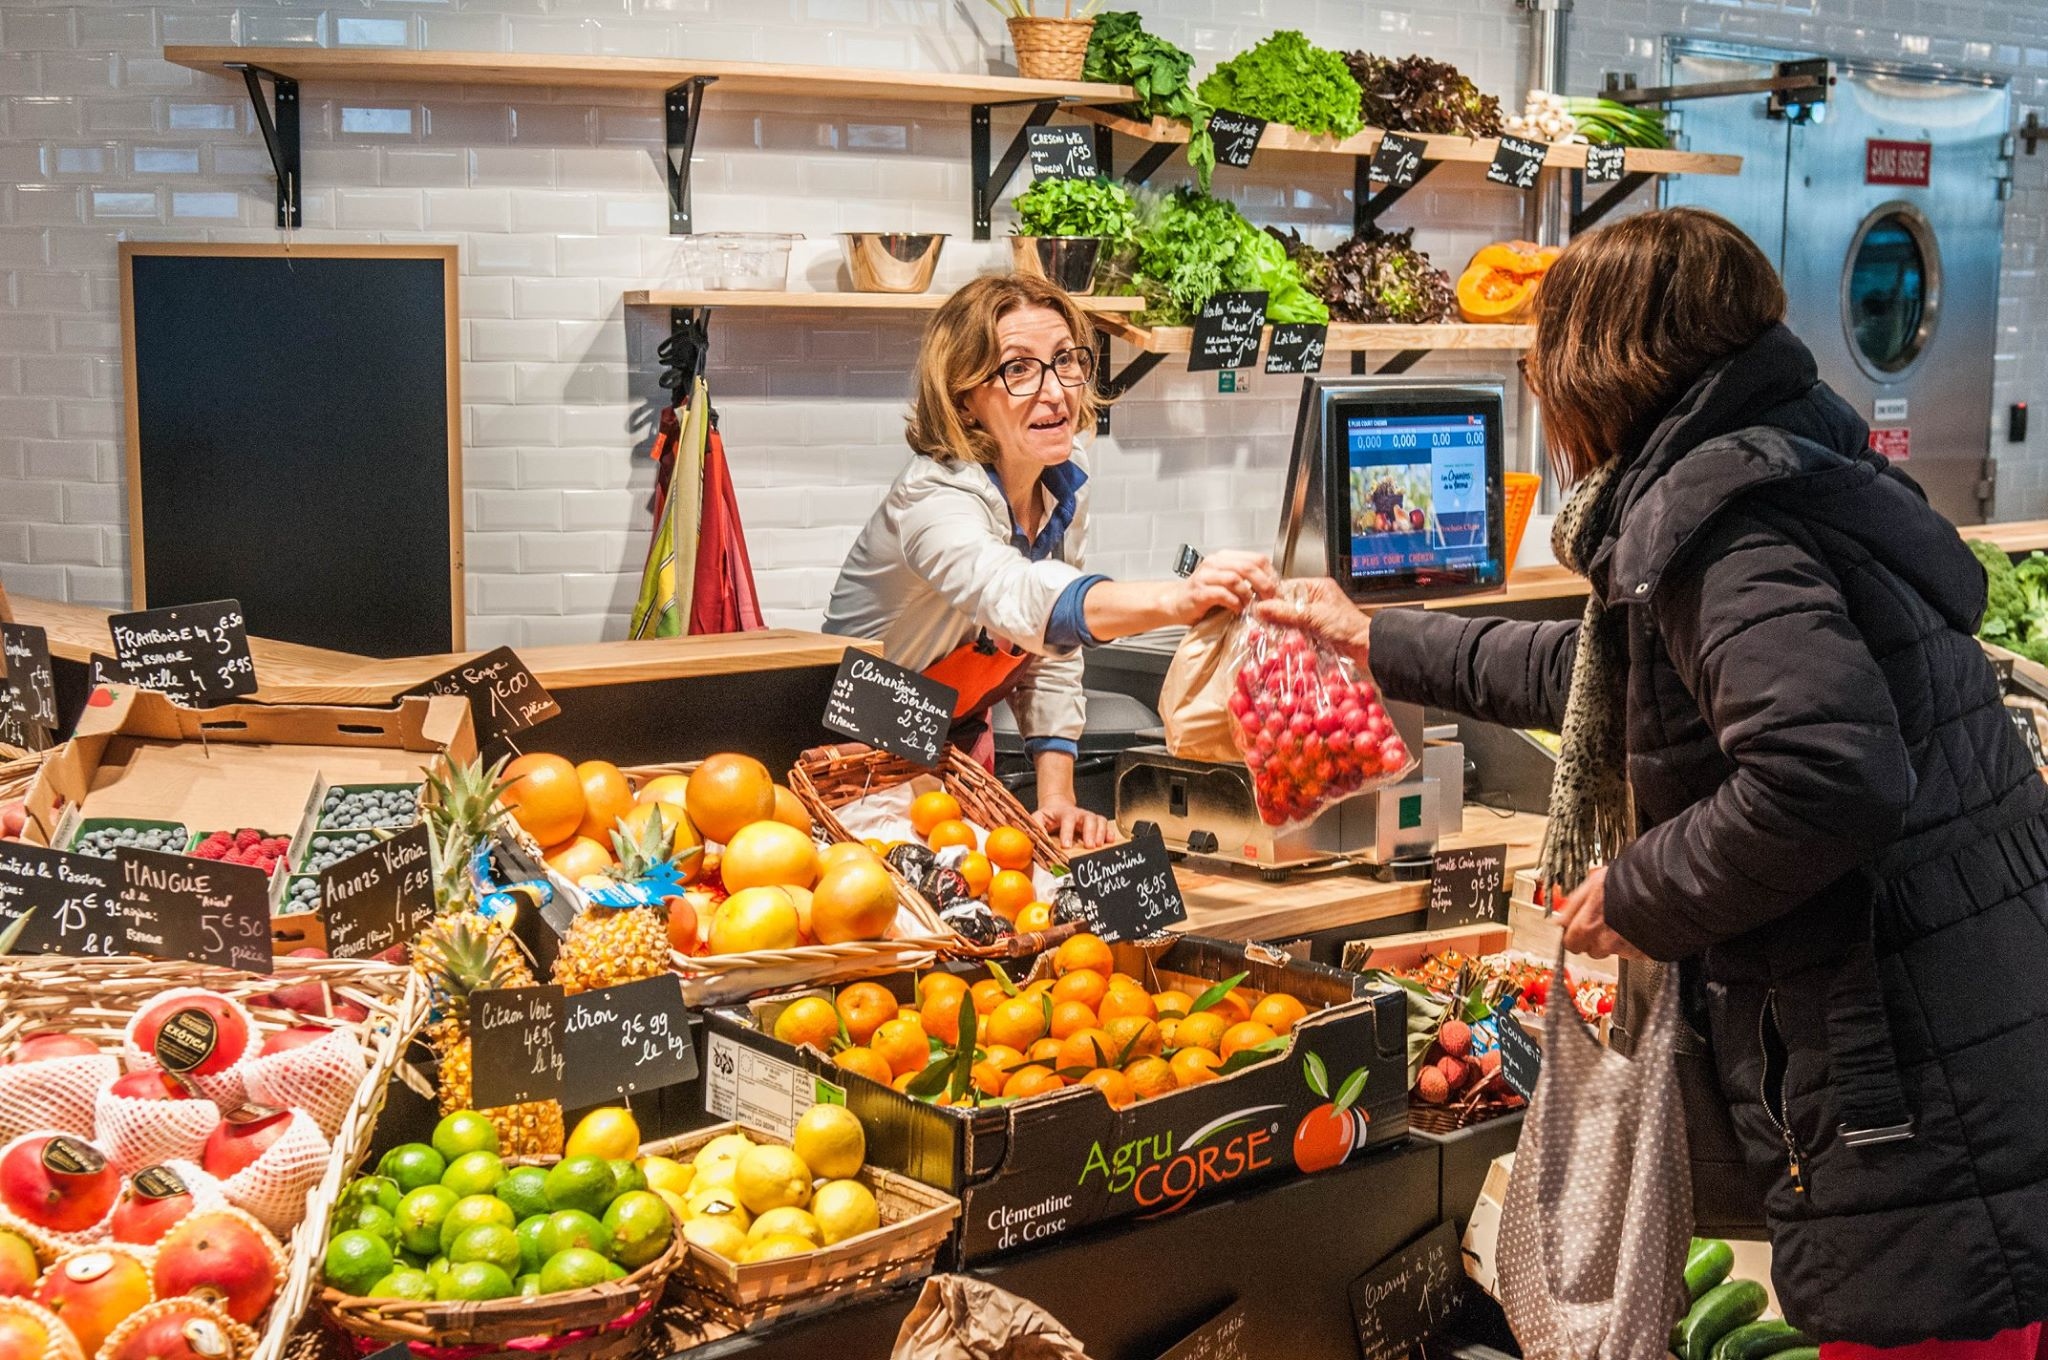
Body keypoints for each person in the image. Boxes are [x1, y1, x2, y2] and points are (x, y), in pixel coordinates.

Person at [1264, 208, 2048, 1355]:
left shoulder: (1724, 527)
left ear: (1595, 365)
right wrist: (1373, 637)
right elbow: (1603, 675)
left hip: (1907, 1072)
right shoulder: (1784, 466)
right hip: (1962, 1020)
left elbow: (1825, 771)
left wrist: (1635, 891)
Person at [825, 273, 1276, 848]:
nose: (1056, 390)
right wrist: (1174, 599)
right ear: (964, 401)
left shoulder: (1063, 475)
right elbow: (1018, 595)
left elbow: (1049, 646)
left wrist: (1057, 798)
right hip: (861, 758)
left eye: (1065, 360)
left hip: (956, 748)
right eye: (1018, 369)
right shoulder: (933, 499)